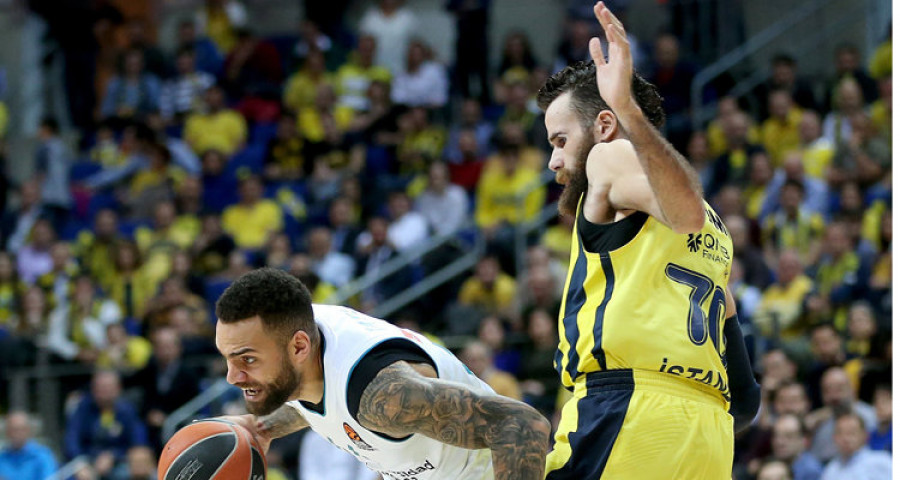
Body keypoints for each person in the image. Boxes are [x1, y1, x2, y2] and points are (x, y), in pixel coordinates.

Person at [536, 3, 759, 478]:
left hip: (626, 409)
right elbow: (747, 396)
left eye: (559, 141)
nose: (553, 163)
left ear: (602, 125)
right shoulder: (715, 228)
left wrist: (626, 109)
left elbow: (683, 213)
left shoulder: (609, 156)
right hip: (708, 431)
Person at [215, 268, 550, 479]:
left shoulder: (383, 397)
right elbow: (316, 397)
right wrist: (263, 429)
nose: (232, 376)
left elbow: (520, 426)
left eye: (246, 360)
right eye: (228, 359)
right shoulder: (294, 335)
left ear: (299, 348)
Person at [0, 411, 58, 480]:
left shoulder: (43, 456)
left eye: (21, 429)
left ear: (29, 430)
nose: (17, 434)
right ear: (7, 432)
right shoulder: (2, 458)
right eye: (13, 430)